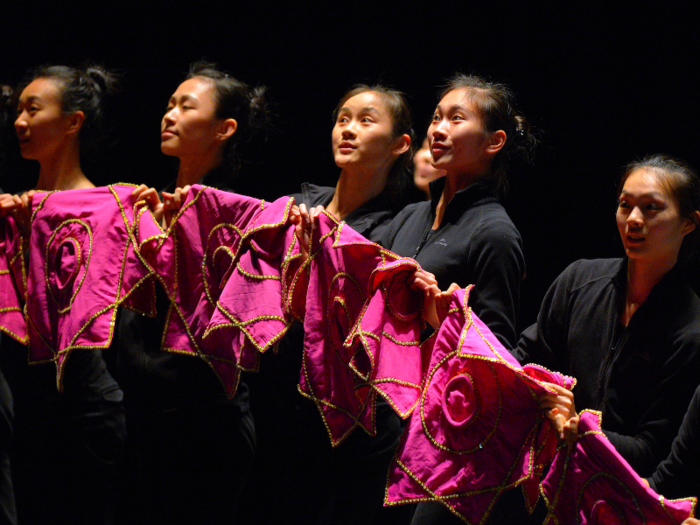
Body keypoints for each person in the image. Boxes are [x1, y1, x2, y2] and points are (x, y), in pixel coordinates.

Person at [241, 84, 414, 525]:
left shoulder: (394, 231)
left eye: (365, 120)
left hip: (346, 427)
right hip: (274, 406)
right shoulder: (298, 204)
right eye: (343, 119)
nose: (348, 130)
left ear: (401, 144)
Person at [371, 73, 535, 524]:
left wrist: (439, 314)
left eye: (456, 118)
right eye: (437, 116)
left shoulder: (495, 233)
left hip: (432, 436)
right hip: (379, 416)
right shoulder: (409, 215)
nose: (438, 128)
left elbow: (498, 351)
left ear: (493, 141)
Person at [115, 62, 270, 525]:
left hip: (203, 424)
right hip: (137, 415)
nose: (169, 115)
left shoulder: (247, 219)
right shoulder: (144, 204)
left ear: (225, 129)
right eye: (168, 105)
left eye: (186, 106)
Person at [0, 64, 125, 525]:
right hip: (29, 407)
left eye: (33, 109)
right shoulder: (14, 211)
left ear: (73, 122)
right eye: (18, 110)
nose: (19, 122)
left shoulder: (109, 208)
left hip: (83, 410)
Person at [532, 155, 700, 491]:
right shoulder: (578, 279)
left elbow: (653, 451)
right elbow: (527, 360)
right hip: (541, 476)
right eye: (625, 205)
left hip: (612, 495)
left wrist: (583, 429)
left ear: (688, 223)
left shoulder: (690, 330)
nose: (633, 220)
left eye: (651, 208)